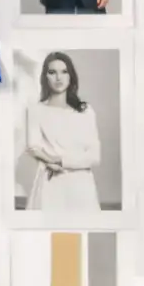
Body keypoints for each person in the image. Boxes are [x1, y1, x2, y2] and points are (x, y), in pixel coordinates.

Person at [24, 52, 101, 210]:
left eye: (64, 72)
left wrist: (58, 161)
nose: (59, 78)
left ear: (71, 76)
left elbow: (94, 157)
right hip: (50, 184)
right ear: (45, 77)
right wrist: (49, 163)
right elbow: (33, 147)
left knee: (81, 233)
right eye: (52, 72)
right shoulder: (36, 110)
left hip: (81, 187)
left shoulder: (85, 111)